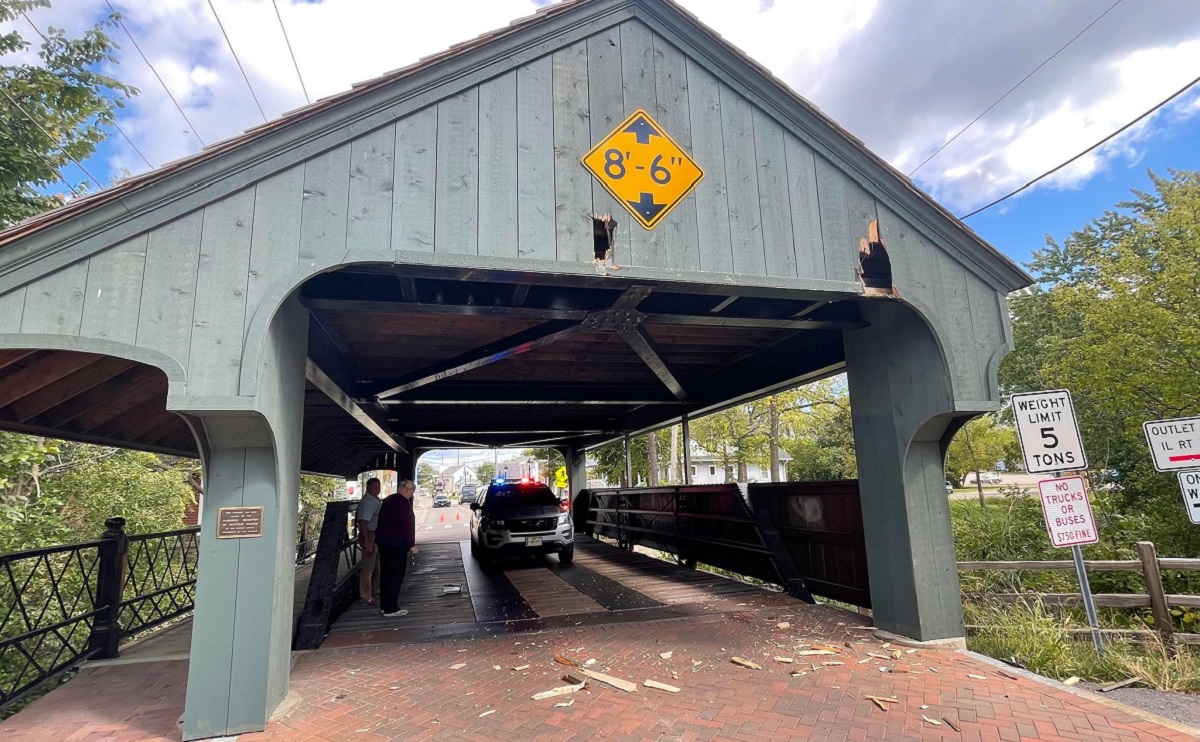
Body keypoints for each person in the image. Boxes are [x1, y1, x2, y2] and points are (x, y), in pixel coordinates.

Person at [375, 480, 418, 617]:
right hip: (397, 544)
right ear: (407, 490)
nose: (411, 495)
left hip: (384, 542)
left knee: (386, 575)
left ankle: (384, 605)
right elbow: (405, 525)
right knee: (396, 575)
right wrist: (411, 544)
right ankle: (391, 608)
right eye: (412, 492)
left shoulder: (388, 500)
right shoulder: (403, 503)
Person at [354, 477, 383, 605]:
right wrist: (367, 541)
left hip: (376, 535)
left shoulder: (374, 500)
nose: (377, 489)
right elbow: (363, 523)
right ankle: (366, 596)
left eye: (379, 486)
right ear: (368, 487)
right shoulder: (368, 502)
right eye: (375, 487)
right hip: (370, 535)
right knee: (368, 567)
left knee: (377, 566)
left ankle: (375, 591)